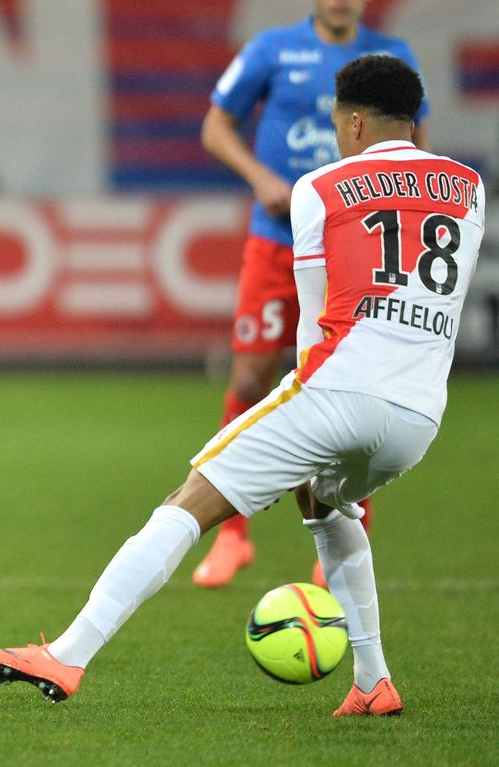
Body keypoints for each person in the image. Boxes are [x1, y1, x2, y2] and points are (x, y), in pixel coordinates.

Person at [0, 54, 483, 716]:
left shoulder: (318, 189)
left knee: (194, 495)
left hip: (339, 388)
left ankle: (66, 653)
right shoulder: (468, 187)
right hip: (420, 414)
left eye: (334, 121)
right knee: (326, 502)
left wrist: (302, 422)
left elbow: (315, 320)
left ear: (353, 121)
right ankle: (373, 678)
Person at [195, 0, 429, 588]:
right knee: (250, 381)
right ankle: (232, 536)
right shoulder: (271, 49)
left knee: (357, 383)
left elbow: (413, 144)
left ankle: (347, 543)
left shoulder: (390, 57)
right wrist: (262, 179)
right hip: (276, 241)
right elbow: (215, 126)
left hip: (356, 246)